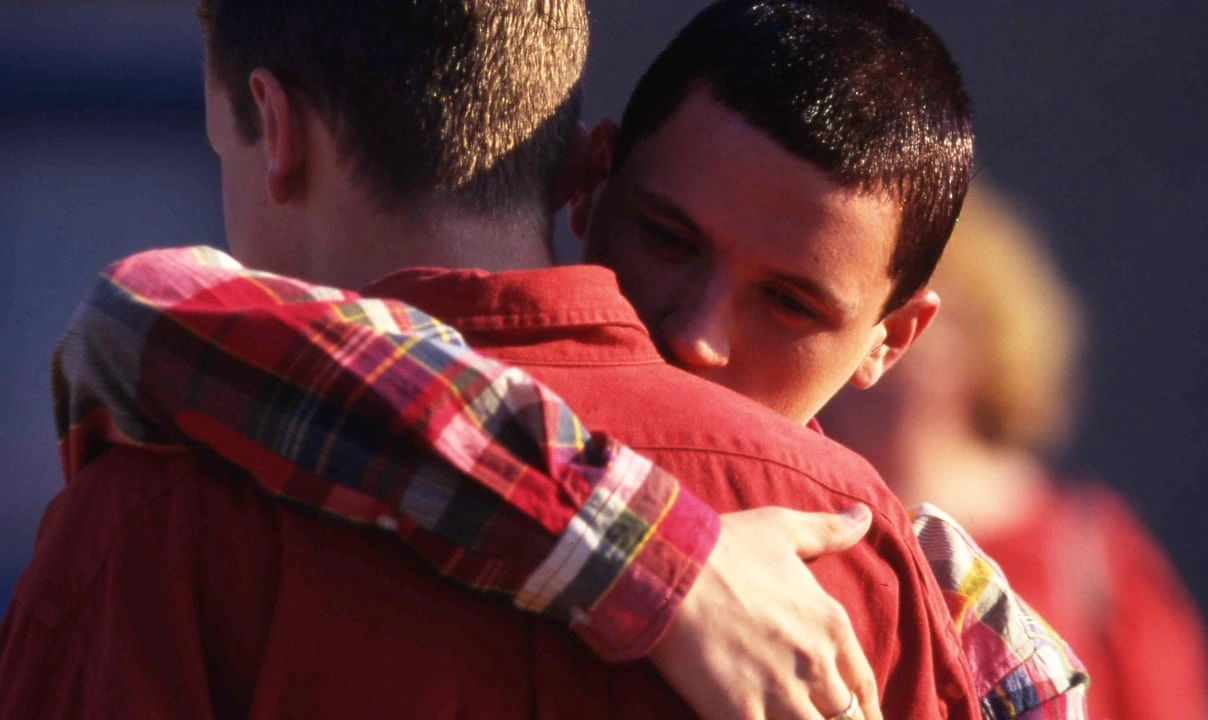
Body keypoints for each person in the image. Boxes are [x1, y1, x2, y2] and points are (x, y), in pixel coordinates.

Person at [0, 1, 982, 719]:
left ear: (273, 128)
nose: (698, 337)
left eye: (791, 303)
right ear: (586, 178)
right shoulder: (866, 571)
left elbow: (144, 315)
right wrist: (657, 556)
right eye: (668, 238)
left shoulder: (167, 507)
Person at [819, 182, 1208, 720]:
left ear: (983, 340)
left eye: (903, 315)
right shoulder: (798, 511)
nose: (875, 341)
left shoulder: (1089, 550)